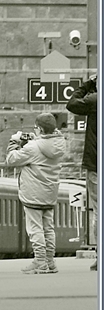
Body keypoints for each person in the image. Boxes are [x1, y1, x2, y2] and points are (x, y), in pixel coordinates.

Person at [3, 113, 67, 273]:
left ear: (39, 129)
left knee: (35, 228)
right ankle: (50, 262)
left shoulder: (33, 147)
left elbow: (11, 159)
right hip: (50, 192)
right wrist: (35, 138)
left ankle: (39, 261)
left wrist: (14, 141)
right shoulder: (59, 144)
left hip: (33, 193)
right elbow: (44, 144)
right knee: (48, 228)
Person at [66, 74, 97, 271]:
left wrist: (88, 84)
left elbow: (72, 103)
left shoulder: (95, 99)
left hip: (96, 163)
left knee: (98, 210)